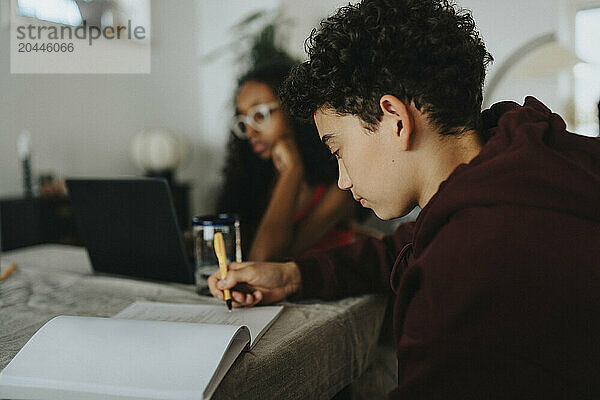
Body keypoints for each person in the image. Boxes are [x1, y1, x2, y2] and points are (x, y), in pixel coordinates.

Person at [209, 0, 600, 398]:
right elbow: (406, 244)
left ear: (395, 120)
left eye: (337, 149)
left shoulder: (464, 273)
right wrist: (294, 274)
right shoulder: (522, 159)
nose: (342, 179)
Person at [217, 60, 359, 262]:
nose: (250, 131)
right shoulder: (252, 182)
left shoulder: (339, 188)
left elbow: (266, 260)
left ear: (292, 109)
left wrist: (292, 170)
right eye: (243, 120)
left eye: (259, 115)